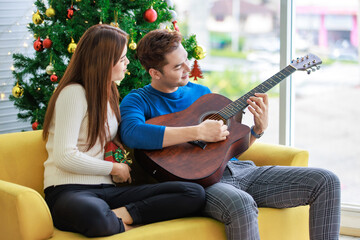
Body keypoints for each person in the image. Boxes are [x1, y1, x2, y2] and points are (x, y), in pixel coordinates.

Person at [120, 29, 341, 240]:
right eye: (178, 66)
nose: (188, 67)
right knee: (241, 203)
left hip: (241, 171)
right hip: (202, 186)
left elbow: (226, 149)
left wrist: (258, 130)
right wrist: (197, 132)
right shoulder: (138, 100)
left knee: (326, 181)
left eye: (186, 59)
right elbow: (131, 133)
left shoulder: (202, 94)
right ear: (155, 73)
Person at [41, 24, 205, 238]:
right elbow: (64, 157)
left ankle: (115, 218)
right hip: (69, 190)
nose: (127, 62)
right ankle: (120, 223)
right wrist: (113, 169)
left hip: (108, 191)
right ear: (103, 63)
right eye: (121, 59)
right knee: (93, 214)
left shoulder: (109, 93)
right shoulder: (73, 93)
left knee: (193, 193)